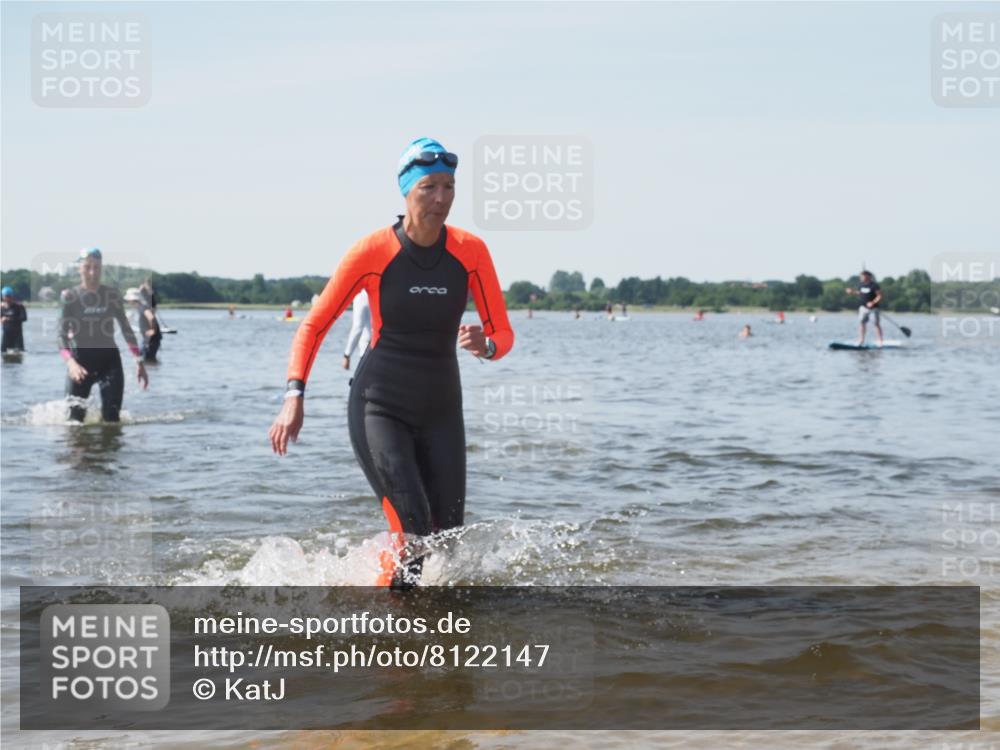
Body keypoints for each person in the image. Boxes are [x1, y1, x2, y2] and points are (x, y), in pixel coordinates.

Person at [269, 137, 514, 589]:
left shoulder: (471, 251)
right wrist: (294, 396)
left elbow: (503, 334)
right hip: (380, 405)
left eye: (449, 187)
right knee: (416, 529)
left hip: (441, 409)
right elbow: (313, 326)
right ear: (406, 191)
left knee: (450, 539)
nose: (441, 199)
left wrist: (487, 346)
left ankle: (384, 590)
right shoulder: (372, 252)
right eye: (429, 188)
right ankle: (398, 643)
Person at [59, 248, 149, 422]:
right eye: (87, 267)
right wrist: (71, 364)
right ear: (79, 269)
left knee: (112, 419)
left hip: (109, 362)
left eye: (97, 267)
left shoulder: (112, 295)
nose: (92, 272)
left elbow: (126, 329)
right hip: (80, 363)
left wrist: (139, 361)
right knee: (74, 422)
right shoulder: (70, 296)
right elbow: (60, 336)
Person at [845, 270, 883, 346]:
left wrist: (873, 302)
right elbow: (859, 293)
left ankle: (880, 341)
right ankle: (861, 340)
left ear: (867, 276)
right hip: (863, 308)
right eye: (860, 276)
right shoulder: (860, 285)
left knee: (876, 324)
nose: (861, 277)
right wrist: (851, 292)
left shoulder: (874, 285)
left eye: (862, 276)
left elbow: (879, 296)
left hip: (873, 309)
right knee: (862, 323)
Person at [125, 288, 162, 363]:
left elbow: (151, 318)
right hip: (147, 339)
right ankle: (153, 371)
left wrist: (153, 330)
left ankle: (150, 371)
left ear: (133, 300)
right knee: (145, 359)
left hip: (151, 340)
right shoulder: (140, 307)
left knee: (146, 359)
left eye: (129, 300)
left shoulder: (142, 307)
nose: (128, 302)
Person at [341, 288, 371, 370]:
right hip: (386, 349)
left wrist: (347, 355)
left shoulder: (361, 298)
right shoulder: (383, 292)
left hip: (367, 352)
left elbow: (357, 328)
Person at [1, 286, 27, 353]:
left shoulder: (19, 306)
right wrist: (2, 319)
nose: (7, 298)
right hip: (6, 334)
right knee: (3, 352)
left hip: (17, 334)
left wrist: (9, 319)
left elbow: (24, 318)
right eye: (5, 296)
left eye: (8, 296)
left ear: (12, 296)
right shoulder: (2, 307)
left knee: (19, 352)